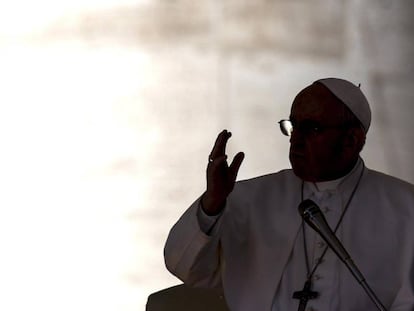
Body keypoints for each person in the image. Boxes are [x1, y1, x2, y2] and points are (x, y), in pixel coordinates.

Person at [164, 78, 414, 311]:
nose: (296, 139)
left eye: (312, 128)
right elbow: (185, 267)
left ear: (351, 140)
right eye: (293, 126)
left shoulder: (405, 208)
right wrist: (212, 203)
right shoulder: (248, 198)